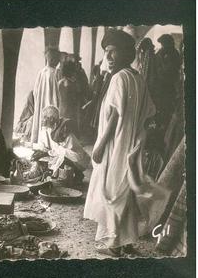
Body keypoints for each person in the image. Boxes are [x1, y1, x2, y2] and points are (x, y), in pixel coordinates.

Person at [83, 29, 156, 257]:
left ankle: (113, 244)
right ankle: (127, 241)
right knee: (126, 192)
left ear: (125, 53)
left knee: (111, 191)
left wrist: (100, 145)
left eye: (112, 51)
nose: (109, 57)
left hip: (115, 146)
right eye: (106, 53)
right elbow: (148, 115)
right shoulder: (138, 78)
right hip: (131, 146)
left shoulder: (118, 78)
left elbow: (114, 117)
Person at [32, 106, 90, 184]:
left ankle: (78, 173)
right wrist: (39, 151)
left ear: (51, 119)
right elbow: (43, 145)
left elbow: (69, 153)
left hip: (77, 158)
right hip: (55, 153)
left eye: (44, 117)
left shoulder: (63, 132)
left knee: (63, 156)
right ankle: (54, 173)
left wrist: (48, 153)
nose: (42, 120)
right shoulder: (45, 130)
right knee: (37, 156)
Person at [30, 48, 61, 143]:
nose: (58, 62)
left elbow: (35, 92)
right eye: (57, 59)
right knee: (50, 124)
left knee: (41, 122)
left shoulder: (41, 72)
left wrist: (39, 102)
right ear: (52, 60)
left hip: (41, 104)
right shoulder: (55, 73)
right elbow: (57, 93)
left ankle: (39, 142)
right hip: (51, 104)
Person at [154, 34, 182, 130]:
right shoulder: (162, 52)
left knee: (167, 106)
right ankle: (162, 125)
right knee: (161, 106)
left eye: (163, 44)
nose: (162, 47)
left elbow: (168, 71)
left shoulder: (174, 54)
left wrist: (160, 62)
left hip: (169, 86)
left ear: (168, 44)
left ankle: (165, 127)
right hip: (161, 86)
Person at [57, 61, 81, 135]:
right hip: (71, 111)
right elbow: (77, 98)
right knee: (71, 131)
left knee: (62, 129)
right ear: (72, 71)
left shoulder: (59, 83)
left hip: (61, 109)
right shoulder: (74, 84)